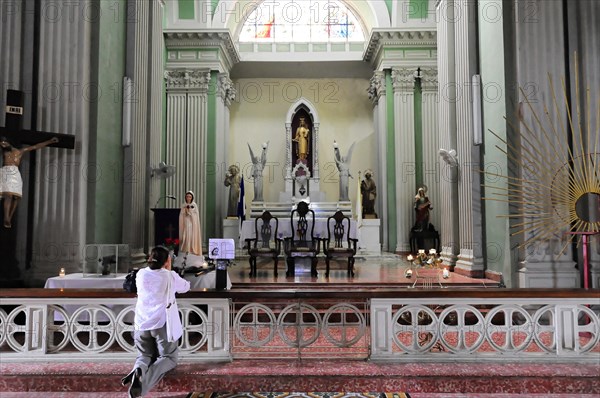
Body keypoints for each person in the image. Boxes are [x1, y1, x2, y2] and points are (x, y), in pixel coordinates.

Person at [122, 245, 191, 398]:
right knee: (168, 358)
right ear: (167, 260)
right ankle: (142, 384)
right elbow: (186, 287)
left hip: (141, 322)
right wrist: (169, 269)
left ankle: (138, 370)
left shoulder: (140, 274)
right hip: (162, 323)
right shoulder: (169, 276)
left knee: (144, 355)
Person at [0, 136, 59, 228]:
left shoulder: (19, 151)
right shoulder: (4, 152)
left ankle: (9, 218)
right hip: (6, 172)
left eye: (4, 143)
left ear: (8, 142)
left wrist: (49, 141)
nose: (3, 145)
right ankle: (6, 217)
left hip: (15, 174)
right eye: (1, 143)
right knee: (8, 195)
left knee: (17, 197)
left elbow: (35, 146)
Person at [179, 191, 202, 256]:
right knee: (186, 235)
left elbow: (196, 215)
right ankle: (186, 249)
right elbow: (181, 215)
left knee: (191, 236)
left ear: (192, 198)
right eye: (187, 197)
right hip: (186, 222)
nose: (188, 198)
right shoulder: (183, 205)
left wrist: (190, 212)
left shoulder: (194, 205)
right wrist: (185, 211)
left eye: (190, 197)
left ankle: (192, 250)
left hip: (192, 223)